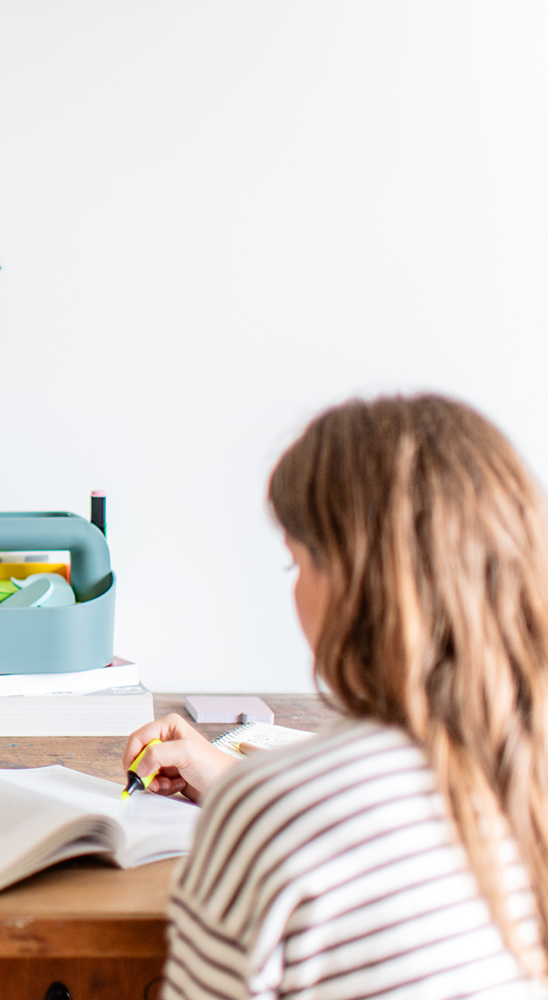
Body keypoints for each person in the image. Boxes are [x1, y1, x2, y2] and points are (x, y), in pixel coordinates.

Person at [123, 395, 548, 999]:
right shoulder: (518, 767)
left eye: (294, 563)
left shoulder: (273, 819)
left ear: (353, 582)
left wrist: (257, 806)